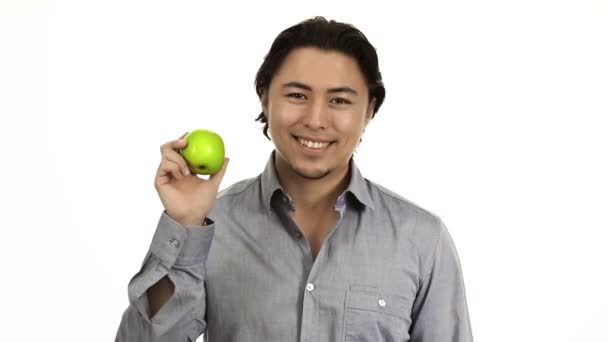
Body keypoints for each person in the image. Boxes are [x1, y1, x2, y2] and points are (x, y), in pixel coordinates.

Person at [115, 16, 473, 342]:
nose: (316, 119)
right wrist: (184, 225)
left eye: (339, 100)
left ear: (370, 110)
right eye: (298, 95)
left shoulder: (422, 240)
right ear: (264, 98)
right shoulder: (211, 226)